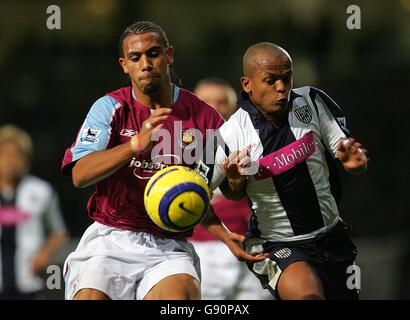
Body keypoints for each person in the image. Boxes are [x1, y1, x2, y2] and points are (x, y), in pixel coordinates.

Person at [61, 21, 264, 301]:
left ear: (169, 55)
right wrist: (133, 145)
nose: (145, 64)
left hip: (169, 246)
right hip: (110, 239)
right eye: (135, 57)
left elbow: (201, 191)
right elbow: (80, 175)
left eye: (153, 54)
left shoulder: (205, 118)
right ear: (124, 65)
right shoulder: (110, 107)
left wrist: (231, 192)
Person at [195, 42, 368, 300]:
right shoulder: (228, 136)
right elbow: (191, 195)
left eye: (286, 78)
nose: (281, 88)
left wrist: (355, 164)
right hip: (279, 245)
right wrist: (225, 234)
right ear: (247, 84)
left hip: (332, 235)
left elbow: (348, 155)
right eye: (271, 80)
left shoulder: (312, 102)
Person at [190, 78, 272, 300]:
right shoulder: (179, 149)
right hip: (205, 248)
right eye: (206, 101)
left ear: (234, 108)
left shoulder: (253, 143)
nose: (214, 108)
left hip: (256, 246)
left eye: (222, 101)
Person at [0, 124, 67, 300]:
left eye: (15, 154)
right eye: (4, 154)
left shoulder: (41, 190)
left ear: (26, 159)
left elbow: (59, 232)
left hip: (29, 282)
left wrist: (44, 253)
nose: (9, 160)